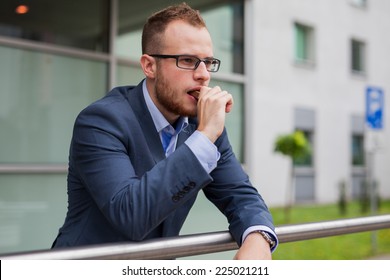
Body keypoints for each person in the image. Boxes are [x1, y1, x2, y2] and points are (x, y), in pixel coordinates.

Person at [52, 3, 278, 259]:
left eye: (208, 62)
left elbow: (240, 195)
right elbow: (131, 215)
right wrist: (204, 137)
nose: (203, 75)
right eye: (188, 61)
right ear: (149, 66)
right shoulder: (101, 121)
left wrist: (258, 238)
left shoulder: (201, 125)